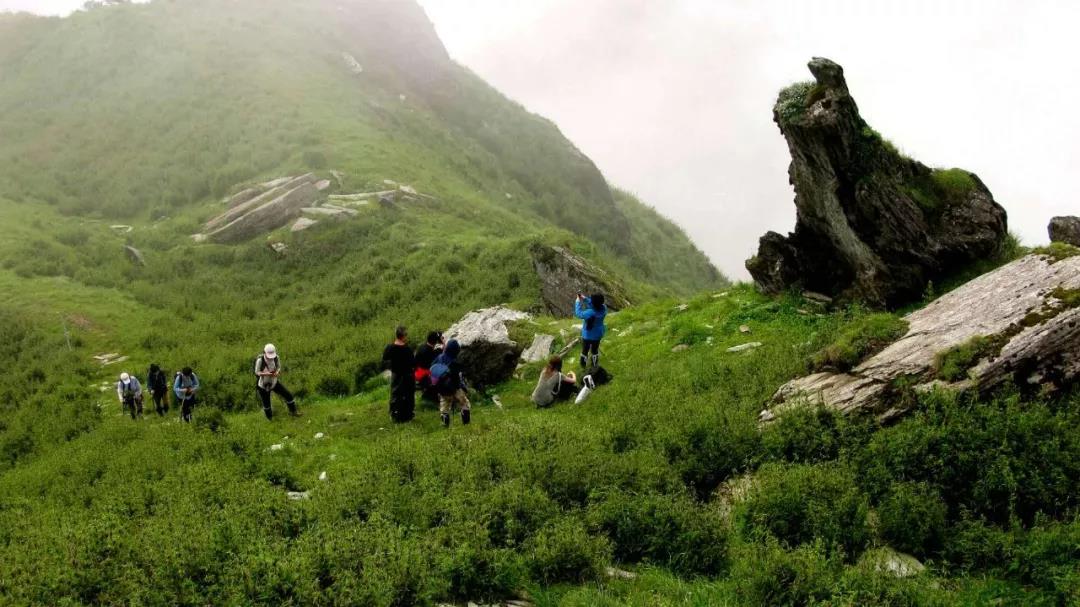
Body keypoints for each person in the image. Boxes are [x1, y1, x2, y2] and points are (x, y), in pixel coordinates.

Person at [430, 339, 470, 427]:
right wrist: (462, 387)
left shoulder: (439, 357)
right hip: (455, 388)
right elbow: (457, 378)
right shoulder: (455, 362)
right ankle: (466, 424)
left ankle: (445, 424)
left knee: (444, 407)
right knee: (464, 403)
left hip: (442, 388)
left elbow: (432, 368)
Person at [254, 343, 300, 420]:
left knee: (288, 395)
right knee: (267, 404)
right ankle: (270, 420)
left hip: (274, 382)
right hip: (263, 385)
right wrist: (266, 374)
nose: (270, 357)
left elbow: (278, 367)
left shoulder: (276, 357)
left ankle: (293, 412)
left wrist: (277, 372)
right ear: (264, 352)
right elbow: (257, 372)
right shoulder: (260, 360)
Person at [381, 326, 415, 423]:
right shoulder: (407, 349)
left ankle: (395, 414)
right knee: (408, 395)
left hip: (396, 374)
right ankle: (407, 415)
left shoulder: (389, 348)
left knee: (395, 394)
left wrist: (392, 366)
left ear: (396, 335)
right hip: (407, 375)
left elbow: (384, 360)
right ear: (404, 336)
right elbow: (413, 363)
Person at [575, 293, 608, 368]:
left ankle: (583, 365)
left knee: (585, 350)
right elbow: (595, 304)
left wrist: (578, 301)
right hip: (598, 334)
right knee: (595, 350)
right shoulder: (604, 308)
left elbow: (579, 313)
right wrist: (585, 298)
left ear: (593, 303)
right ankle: (594, 364)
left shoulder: (590, 312)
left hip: (587, 335)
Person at [413, 331, 444, 402]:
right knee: (442, 374)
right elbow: (444, 349)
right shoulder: (432, 353)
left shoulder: (421, 347)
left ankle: (427, 393)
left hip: (416, 373)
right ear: (436, 341)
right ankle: (434, 397)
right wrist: (442, 342)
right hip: (424, 377)